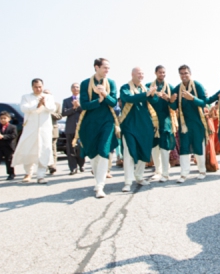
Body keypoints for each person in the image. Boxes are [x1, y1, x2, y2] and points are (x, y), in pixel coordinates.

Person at [75, 58, 120, 198]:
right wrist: (98, 100)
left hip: (107, 121)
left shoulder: (111, 83)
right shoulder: (85, 83)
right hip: (90, 123)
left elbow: (113, 103)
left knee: (103, 150)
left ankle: (100, 186)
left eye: (108, 68)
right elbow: (84, 105)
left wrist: (105, 95)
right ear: (96, 67)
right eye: (105, 68)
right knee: (93, 152)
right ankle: (97, 181)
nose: (107, 70)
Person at [119, 67, 157, 192]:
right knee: (129, 153)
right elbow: (128, 99)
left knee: (144, 151)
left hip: (145, 125)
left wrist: (154, 94)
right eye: (139, 73)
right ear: (132, 74)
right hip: (129, 125)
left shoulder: (145, 88)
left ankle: (139, 176)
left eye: (142, 73)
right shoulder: (125, 88)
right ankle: (128, 182)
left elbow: (153, 101)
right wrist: (147, 94)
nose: (141, 75)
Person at [11, 78, 56, 184]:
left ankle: (41, 175)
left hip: (44, 128)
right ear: (32, 87)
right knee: (28, 150)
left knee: (44, 150)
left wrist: (44, 103)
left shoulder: (49, 97)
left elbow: (52, 109)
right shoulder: (26, 97)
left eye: (40, 87)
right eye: (36, 87)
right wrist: (37, 105)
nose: (38, 89)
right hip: (30, 128)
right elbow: (24, 108)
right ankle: (28, 173)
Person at [169, 65, 209, 183]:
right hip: (184, 124)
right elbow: (173, 106)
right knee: (184, 148)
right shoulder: (177, 89)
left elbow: (203, 103)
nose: (184, 75)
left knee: (198, 147)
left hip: (197, 123)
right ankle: (184, 174)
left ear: (190, 74)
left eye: (186, 73)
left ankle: (202, 171)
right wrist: (171, 101)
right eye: (181, 73)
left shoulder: (198, 86)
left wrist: (192, 98)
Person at [148, 65, 177, 182]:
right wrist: (154, 95)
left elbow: (174, 106)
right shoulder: (148, 86)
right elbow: (145, 100)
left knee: (165, 147)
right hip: (152, 121)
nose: (162, 75)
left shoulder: (170, 87)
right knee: (154, 147)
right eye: (160, 72)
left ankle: (165, 173)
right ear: (155, 73)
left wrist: (169, 99)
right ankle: (157, 171)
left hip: (165, 120)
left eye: (164, 73)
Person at [62, 83, 85, 175]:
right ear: (71, 89)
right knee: (70, 148)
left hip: (81, 127)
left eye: (77, 87)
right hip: (70, 128)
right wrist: (73, 108)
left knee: (81, 147)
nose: (75, 88)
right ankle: (73, 168)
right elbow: (64, 113)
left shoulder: (83, 100)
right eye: (73, 87)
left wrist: (78, 106)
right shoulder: (66, 100)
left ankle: (81, 164)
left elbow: (85, 111)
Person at [45, 90, 62, 175]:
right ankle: (44, 166)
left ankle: (52, 166)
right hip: (42, 129)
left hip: (53, 129)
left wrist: (50, 112)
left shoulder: (57, 105)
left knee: (52, 148)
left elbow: (59, 116)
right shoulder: (39, 104)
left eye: (47, 94)